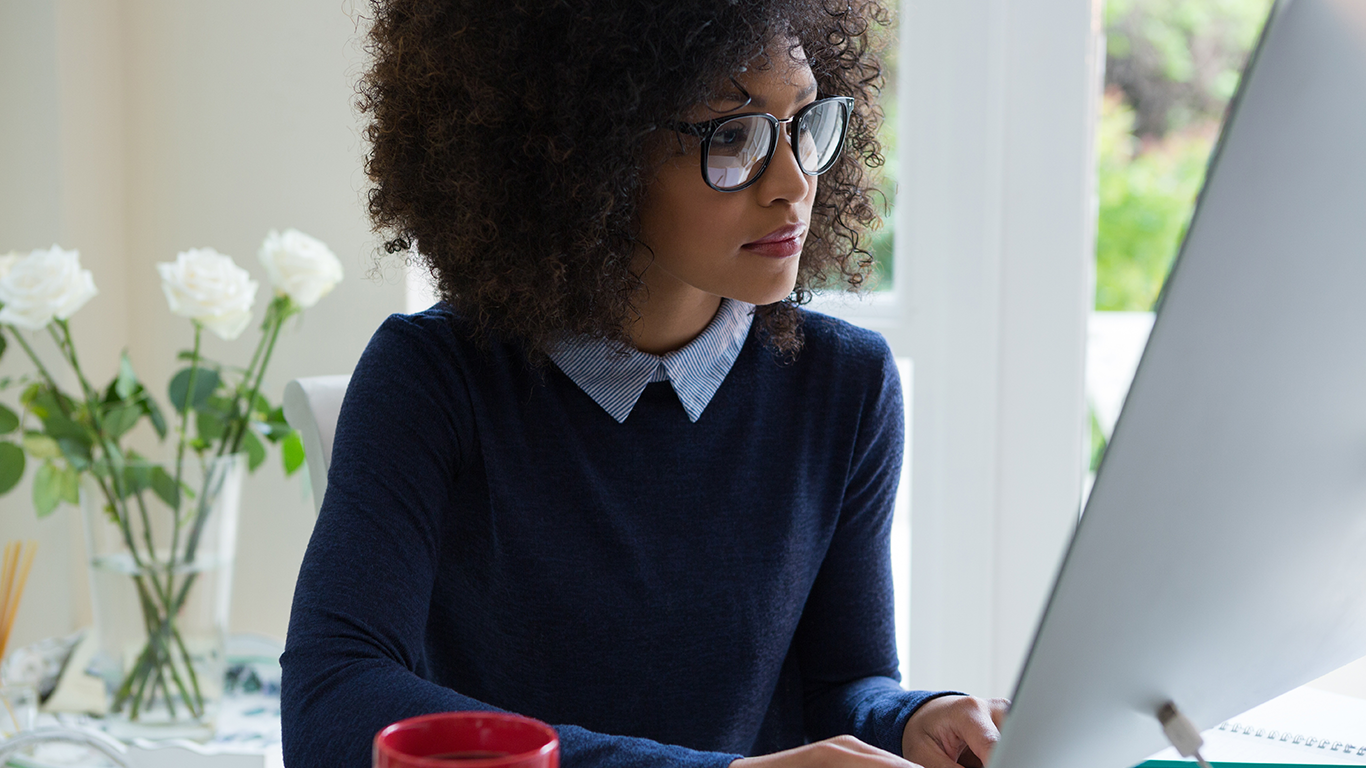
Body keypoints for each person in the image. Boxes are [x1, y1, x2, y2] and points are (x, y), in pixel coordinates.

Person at [280, 0, 1009, 766]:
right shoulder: (432, 378)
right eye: (734, 136)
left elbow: (841, 681)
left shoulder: (843, 385)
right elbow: (333, 700)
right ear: (587, 153)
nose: (792, 182)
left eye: (803, 124)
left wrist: (910, 717)